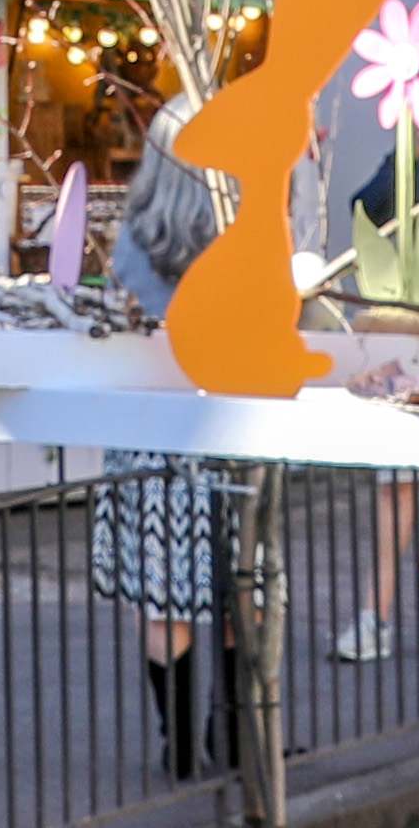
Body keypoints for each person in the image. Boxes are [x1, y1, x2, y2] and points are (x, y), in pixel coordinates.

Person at [87, 97, 243, 779]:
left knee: (163, 598)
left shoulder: (132, 240)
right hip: (228, 426)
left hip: (147, 434)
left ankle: (176, 742)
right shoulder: (238, 239)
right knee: (244, 590)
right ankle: (234, 734)